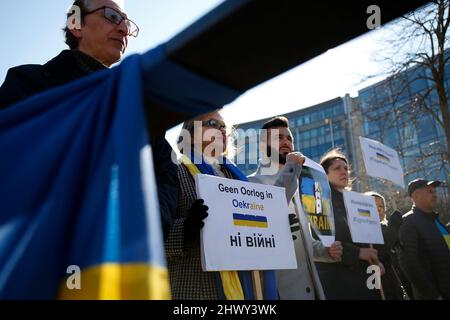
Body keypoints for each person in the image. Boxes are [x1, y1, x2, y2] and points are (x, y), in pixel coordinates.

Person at [0, 0, 178, 238]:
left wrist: (144, 225)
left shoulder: (139, 103)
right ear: (75, 23)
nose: (124, 29)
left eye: (127, 23)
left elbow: (164, 173)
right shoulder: (28, 83)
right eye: (112, 17)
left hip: (120, 256)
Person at [165, 110, 277, 300]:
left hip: (247, 288)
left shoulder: (238, 179)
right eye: (212, 124)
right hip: (196, 291)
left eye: (224, 126)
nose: (222, 130)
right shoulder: (174, 172)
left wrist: (276, 225)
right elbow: (151, 234)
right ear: (190, 136)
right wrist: (185, 230)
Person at [247, 116, 342, 300]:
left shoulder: (298, 186)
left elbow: (302, 242)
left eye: (289, 138)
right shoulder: (252, 183)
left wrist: (325, 251)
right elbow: (273, 211)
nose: (286, 142)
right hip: (281, 292)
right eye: (278, 138)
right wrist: (291, 167)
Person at [315, 148, 382, 300]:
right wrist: (357, 253)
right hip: (340, 282)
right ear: (324, 174)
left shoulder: (356, 201)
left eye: (346, 168)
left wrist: (376, 260)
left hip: (365, 278)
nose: (344, 171)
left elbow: (366, 240)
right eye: (337, 168)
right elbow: (323, 242)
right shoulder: (320, 202)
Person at [398, 179, 450, 299]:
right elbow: (409, 264)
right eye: (430, 191)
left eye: (435, 191)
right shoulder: (408, 222)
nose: (434, 194)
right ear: (416, 196)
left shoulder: (436, 221)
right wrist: (433, 295)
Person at [365, 191, 406, 300]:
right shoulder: (361, 232)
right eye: (373, 205)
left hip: (393, 285)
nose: (379, 209)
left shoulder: (384, 227)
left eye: (381, 206)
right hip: (378, 287)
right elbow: (380, 251)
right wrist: (393, 227)